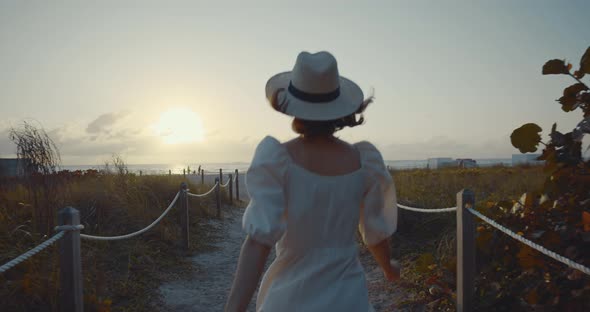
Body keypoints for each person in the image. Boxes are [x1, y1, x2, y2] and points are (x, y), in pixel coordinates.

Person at [225, 51, 400, 312]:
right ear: (339, 106)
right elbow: (374, 233)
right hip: (347, 298)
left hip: (289, 298)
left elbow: (259, 241)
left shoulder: (276, 160)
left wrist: (234, 308)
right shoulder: (364, 161)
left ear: (292, 104)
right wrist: (389, 268)